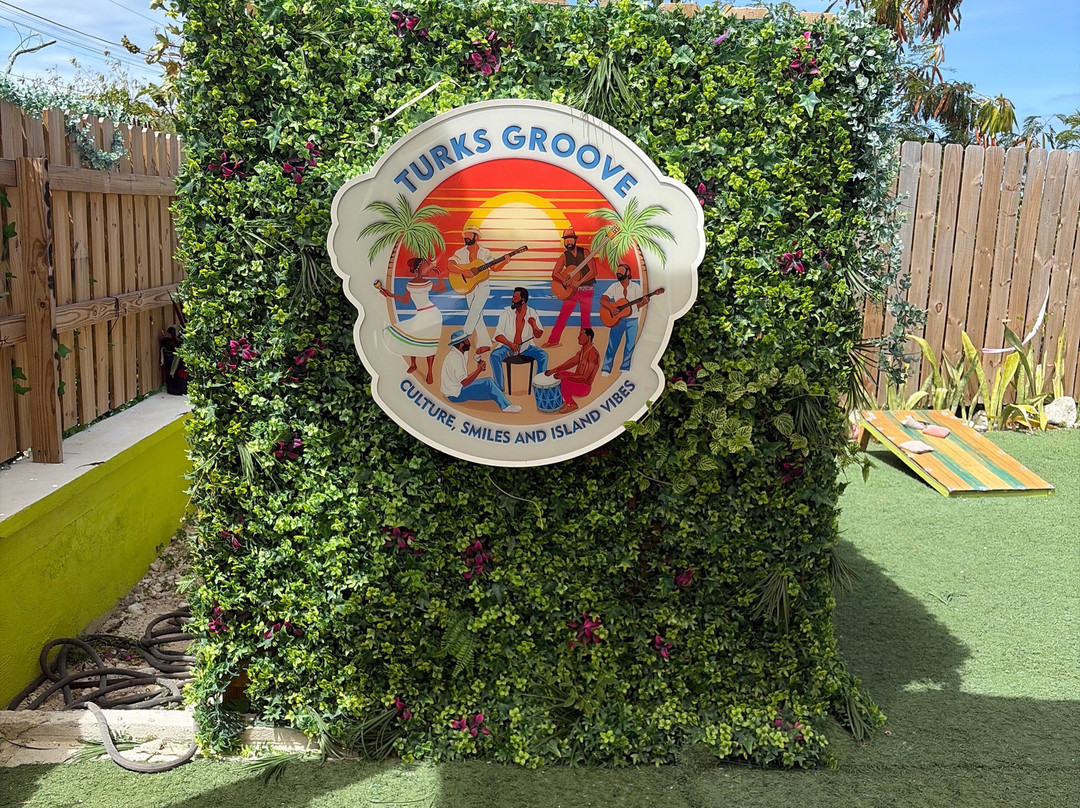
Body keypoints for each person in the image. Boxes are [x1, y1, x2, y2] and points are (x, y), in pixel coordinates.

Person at [379, 256, 446, 384]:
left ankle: (430, 371)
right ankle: (413, 364)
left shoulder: (426, 283)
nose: (428, 269)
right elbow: (405, 300)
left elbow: (442, 289)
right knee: (412, 335)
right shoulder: (411, 284)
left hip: (432, 314)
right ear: (418, 269)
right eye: (425, 267)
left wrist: (439, 275)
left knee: (430, 344)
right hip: (422, 313)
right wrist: (391, 295)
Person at [598, 262, 662, 377]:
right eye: (618, 272)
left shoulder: (636, 287)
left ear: (628, 273)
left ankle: (625, 367)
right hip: (618, 321)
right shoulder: (614, 287)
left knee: (630, 345)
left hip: (632, 320)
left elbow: (637, 305)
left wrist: (643, 303)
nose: (619, 274)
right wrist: (611, 309)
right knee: (612, 344)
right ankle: (606, 368)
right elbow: (603, 300)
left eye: (621, 272)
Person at [448, 225, 504, 353]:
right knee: (477, 314)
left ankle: (464, 335)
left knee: (475, 311)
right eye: (465, 235)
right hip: (468, 286)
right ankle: (485, 343)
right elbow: (450, 265)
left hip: (483, 286)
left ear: (476, 236)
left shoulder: (485, 252)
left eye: (469, 234)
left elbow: (494, 268)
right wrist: (464, 271)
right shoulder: (460, 252)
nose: (466, 237)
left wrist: (505, 261)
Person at [440, 329, 522, 412]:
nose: (469, 342)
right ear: (461, 344)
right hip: (456, 394)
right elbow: (464, 382)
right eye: (466, 340)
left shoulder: (461, 352)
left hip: (455, 390)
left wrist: (479, 362)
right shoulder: (456, 358)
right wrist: (478, 370)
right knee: (488, 382)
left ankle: (500, 397)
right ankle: (506, 406)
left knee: (492, 391)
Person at [543, 228, 596, 348]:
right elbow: (555, 273)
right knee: (563, 315)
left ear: (575, 240)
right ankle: (553, 340)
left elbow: (593, 271)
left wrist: (580, 282)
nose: (569, 242)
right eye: (566, 240)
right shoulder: (564, 256)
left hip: (586, 289)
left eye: (570, 239)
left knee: (585, 318)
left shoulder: (585, 252)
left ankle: (586, 342)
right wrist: (564, 281)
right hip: (571, 291)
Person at [489, 287, 549, 392]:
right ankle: (499, 388)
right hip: (507, 347)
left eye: (515, 297)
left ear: (523, 300)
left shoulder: (532, 312)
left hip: (527, 347)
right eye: (513, 297)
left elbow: (538, 335)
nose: (512, 299)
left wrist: (534, 325)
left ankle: (539, 386)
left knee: (543, 356)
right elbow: (498, 335)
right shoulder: (506, 314)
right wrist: (510, 344)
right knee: (494, 355)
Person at [550, 327, 600, 413]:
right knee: (560, 373)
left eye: (581, 335)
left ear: (588, 337)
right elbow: (570, 363)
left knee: (563, 379)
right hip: (577, 382)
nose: (578, 337)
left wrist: (564, 377)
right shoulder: (582, 351)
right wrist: (553, 370)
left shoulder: (593, 354)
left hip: (584, 387)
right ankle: (566, 401)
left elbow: (584, 378)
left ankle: (572, 404)